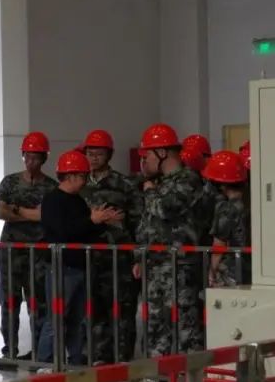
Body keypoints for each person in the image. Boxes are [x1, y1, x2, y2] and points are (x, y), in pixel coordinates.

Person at [36, 151, 123, 368]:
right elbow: (61, 232)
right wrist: (92, 221)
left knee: (77, 318)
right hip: (61, 267)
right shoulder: (53, 200)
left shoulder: (78, 201)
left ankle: (75, 361)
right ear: (71, 176)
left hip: (79, 266)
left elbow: (85, 232)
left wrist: (102, 222)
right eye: (83, 176)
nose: (85, 181)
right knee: (57, 317)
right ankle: (46, 362)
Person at [133, 123, 208, 368]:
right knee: (155, 324)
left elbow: (166, 209)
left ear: (162, 152)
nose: (144, 161)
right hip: (155, 264)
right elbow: (147, 224)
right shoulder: (160, 183)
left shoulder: (188, 180)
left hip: (179, 266)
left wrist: (150, 192)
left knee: (184, 324)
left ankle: (189, 375)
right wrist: (140, 256)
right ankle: (158, 374)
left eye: (148, 155)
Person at [79, 129, 143, 363]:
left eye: (99, 153)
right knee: (94, 310)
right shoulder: (79, 183)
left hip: (119, 258)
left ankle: (123, 358)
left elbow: (138, 221)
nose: (94, 158)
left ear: (109, 155)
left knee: (122, 310)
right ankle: (99, 356)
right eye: (90, 153)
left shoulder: (123, 184)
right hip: (89, 257)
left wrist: (138, 255)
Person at [0, 132, 57, 365]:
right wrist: (32, 214)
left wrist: (17, 210)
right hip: (11, 251)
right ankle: (9, 350)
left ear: (43, 159)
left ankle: (39, 353)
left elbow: (47, 217)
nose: (31, 162)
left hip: (38, 252)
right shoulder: (10, 182)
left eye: (36, 158)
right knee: (8, 301)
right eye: (27, 157)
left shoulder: (51, 186)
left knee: (38, 303)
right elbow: (0, 212)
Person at [203, 151, 252, 287]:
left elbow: (219, 246)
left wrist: (212, 273)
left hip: (231, 272)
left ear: (221, 184)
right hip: (251, 269)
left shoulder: (226, 208)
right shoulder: (252, 203)